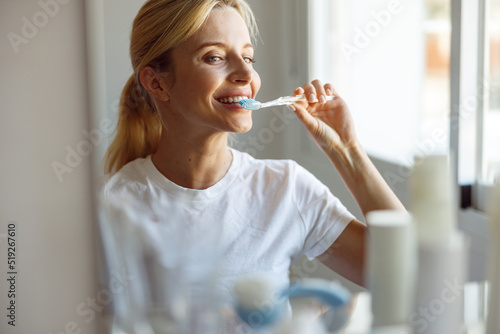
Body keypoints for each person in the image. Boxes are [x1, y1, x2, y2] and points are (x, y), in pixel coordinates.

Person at [102, 0, 405, 332]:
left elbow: (404, 278)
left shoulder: (285, 188)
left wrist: (345, 150)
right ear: (157, 83)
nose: (247, 74)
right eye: (214, 57)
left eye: (248, 57)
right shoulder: (119, 205)